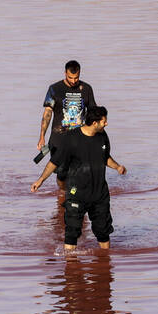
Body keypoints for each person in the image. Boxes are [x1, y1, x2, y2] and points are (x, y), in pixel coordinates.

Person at [31, 106, 126, 250]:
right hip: (77, 193)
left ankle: (105, 263)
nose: (106, 124)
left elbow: (105, 158)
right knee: (72, 232)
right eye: (104, 121)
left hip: (99, 194)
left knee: (103, 232)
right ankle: (70, 267)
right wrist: (40, 180)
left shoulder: (102, 136)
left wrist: (118, 167)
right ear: (95, 123)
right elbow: (54, 162)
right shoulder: (71, 139)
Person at [37, 60, 98, 195]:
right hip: (59, 139)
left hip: (81, 139)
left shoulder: (86, 88)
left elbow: (94, 113)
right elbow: (47, 113)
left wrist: (98, 133)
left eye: (76, 78)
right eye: (70, 78)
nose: (74, 81)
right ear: (65, 73)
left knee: (81, 171)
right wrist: (42, 136)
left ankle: (77, 198)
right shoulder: (54, 89)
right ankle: (63, 194)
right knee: (62, 174)